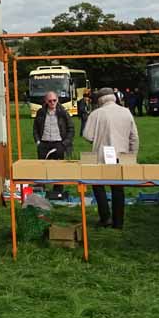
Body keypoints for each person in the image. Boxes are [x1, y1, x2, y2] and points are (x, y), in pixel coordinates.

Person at [83, 87, 139, 229]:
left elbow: (87, 136)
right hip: (122, 155)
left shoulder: (96, 114)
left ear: (100, 99)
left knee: (98, 185)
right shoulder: (126, 112)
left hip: (101, 156)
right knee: (118, 189)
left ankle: (105, 217)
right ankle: (118, 222)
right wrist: (132, 155)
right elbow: (134, 137)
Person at [33, 91, 74, 200]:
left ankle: (58, 193)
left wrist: (64, 144)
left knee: (58, 169)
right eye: (50, 101)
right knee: (42, 169)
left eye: (54, 100)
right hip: (44, 143)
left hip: (58, 143)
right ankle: (41, 192)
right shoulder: (40, 112)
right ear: (46, 101)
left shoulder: (63, 112)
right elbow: (35, 128)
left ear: (57, 100)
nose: (52, 103)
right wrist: (38, 141)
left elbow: (71, 129)